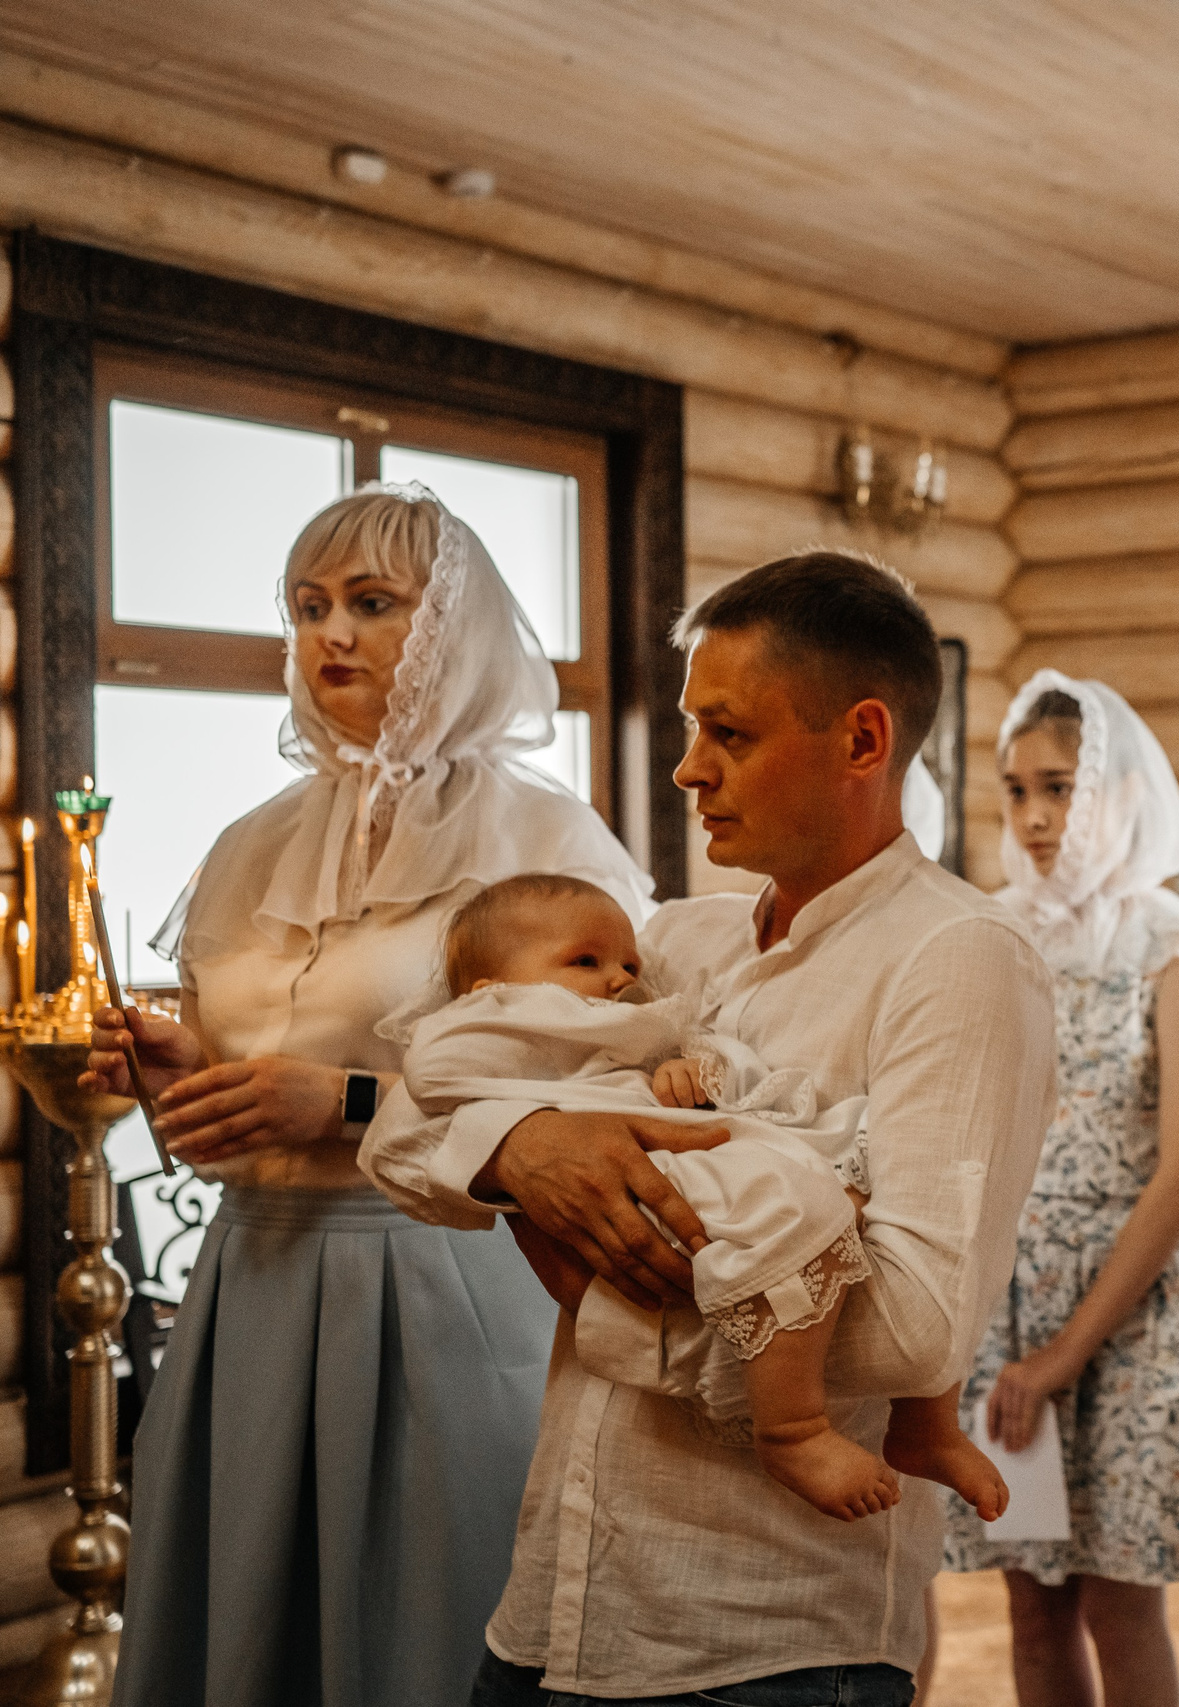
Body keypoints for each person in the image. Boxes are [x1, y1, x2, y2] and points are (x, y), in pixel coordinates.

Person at [362, 550, 1055, 1706]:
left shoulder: (962, 961)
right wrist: (524, 1148)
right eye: (692, 729)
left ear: (863, 742)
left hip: (764, 1635)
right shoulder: (668, 944)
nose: (689, 769)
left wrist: (617, 1295)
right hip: (553, 1591)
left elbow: (920, 1332)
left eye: (727, 733)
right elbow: (400, 1128)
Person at [81, 485, 652, 1707]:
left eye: (372, 604)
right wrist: (182, 1076)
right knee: (248, 1638)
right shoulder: (251, 842)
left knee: (426, 1636)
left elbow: (601, 1081)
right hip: (254, 1284)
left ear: (452, 631)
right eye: (308, 607)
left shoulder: (541, 840)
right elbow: (246, 1070)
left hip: (444, 1285)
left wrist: (342, 1101)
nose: (330, 634)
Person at [393, 871, 1005, 1524]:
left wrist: (687, 1066)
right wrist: (517, 1129)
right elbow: (422, 1095)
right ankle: (792, 1428)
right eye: (585, 961)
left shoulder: (640, 1018)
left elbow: (720, 1061)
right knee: (800, 1212)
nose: (620, 976)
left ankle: (927, 1423)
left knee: (853, 1147)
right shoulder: (487, 1033)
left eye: (626, 961)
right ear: (491, 992)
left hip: (705, 1145)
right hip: (652, 1184)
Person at [941, 671, 1179, 1707]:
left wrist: (1063, 1353)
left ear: (1119, 795)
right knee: (1032, 1603)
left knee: (1121, 1602)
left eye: (1061, 788)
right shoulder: (990, 932)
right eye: (1016, 790)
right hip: (1007, 1291)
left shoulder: (1171, 945)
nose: (1033, 817)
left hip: (1127, 1310)